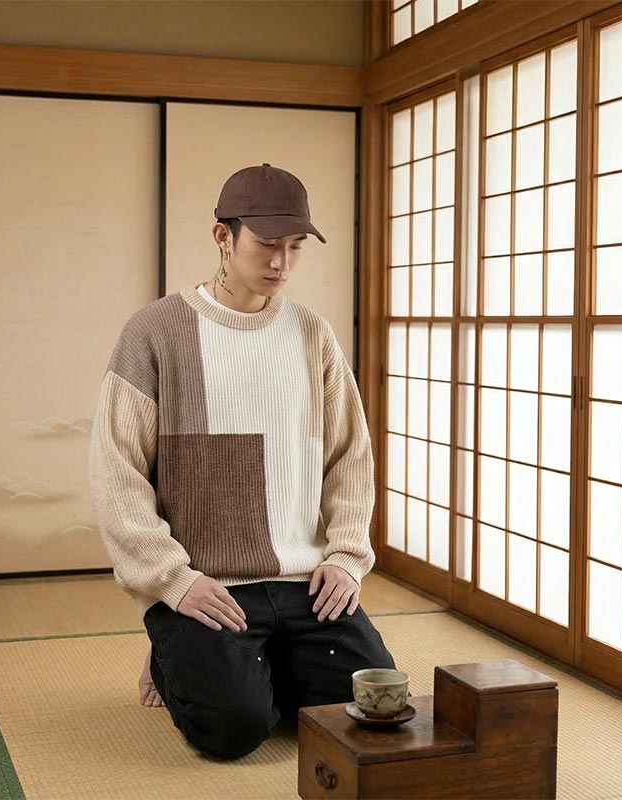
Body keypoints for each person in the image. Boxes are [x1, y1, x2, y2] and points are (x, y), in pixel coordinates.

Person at [88, 163, 400, 760]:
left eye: (294, 247)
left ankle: (249, 662)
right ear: (222, 238)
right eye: (266, 245)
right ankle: (175, 652)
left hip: (306, 581)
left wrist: (346, 558)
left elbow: (349, 458)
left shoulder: (313, 335)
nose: (280, 262)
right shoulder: (154, 332)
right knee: (233, 732)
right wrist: (172, 582)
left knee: (364, 716)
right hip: (207, 583)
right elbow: (117, 473)